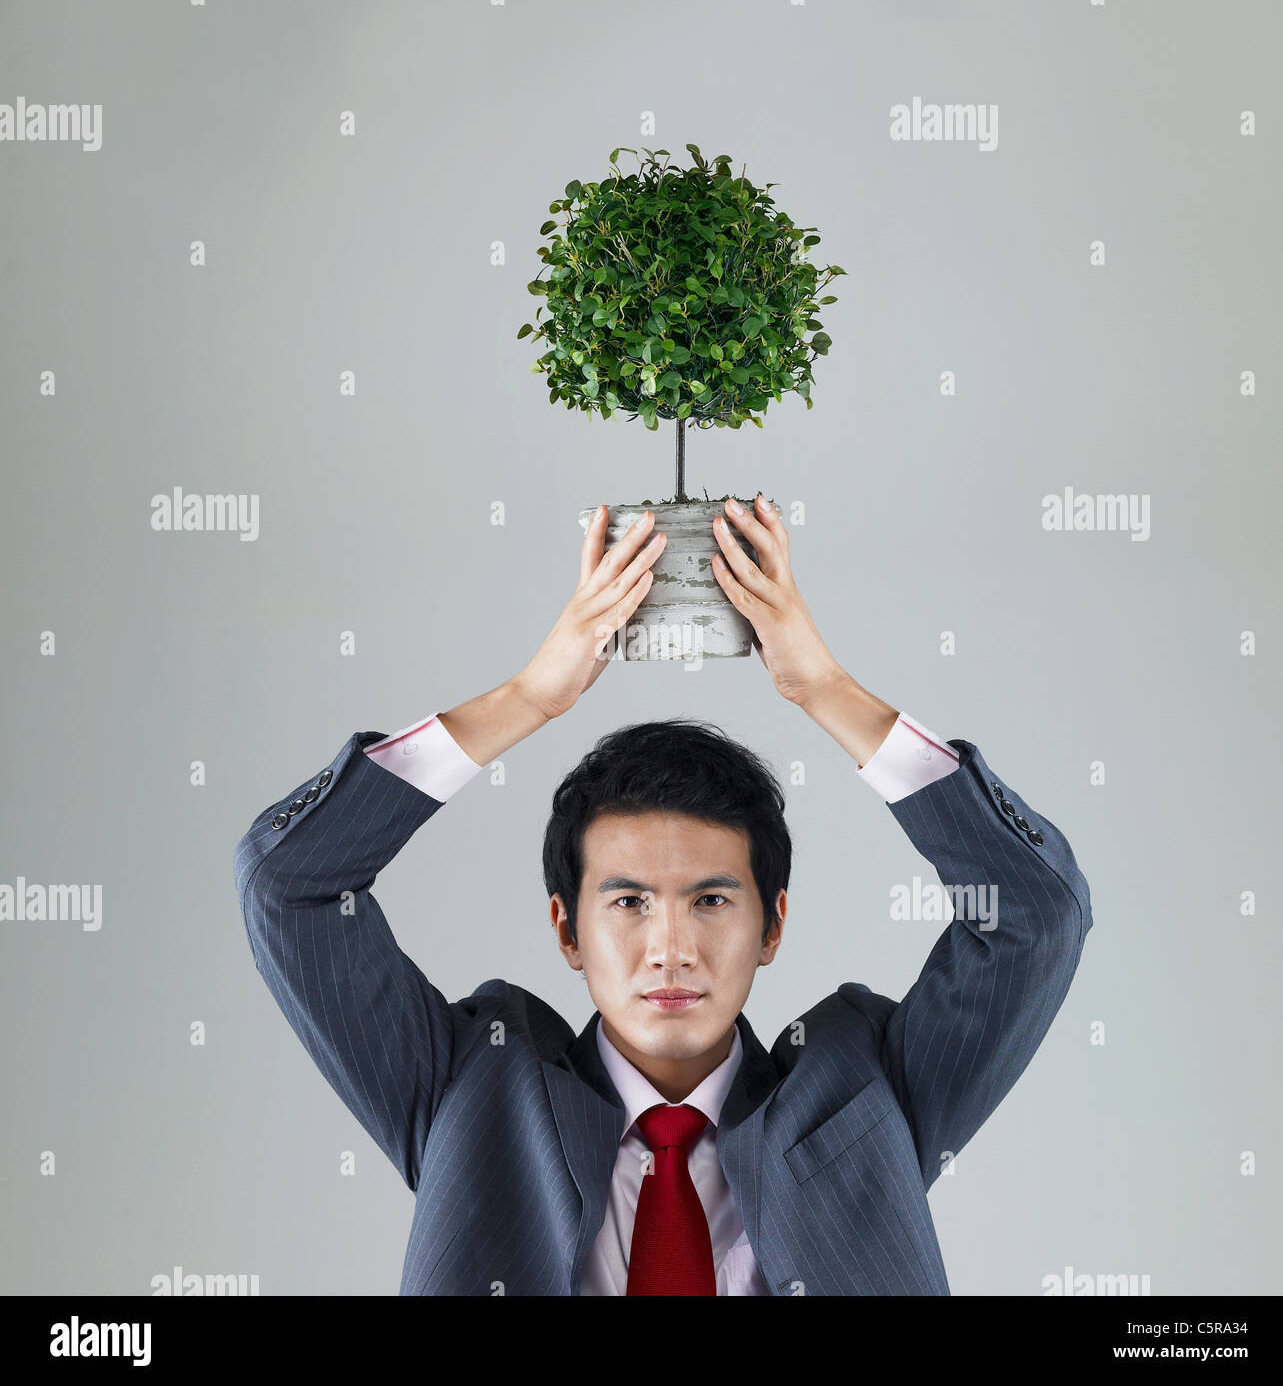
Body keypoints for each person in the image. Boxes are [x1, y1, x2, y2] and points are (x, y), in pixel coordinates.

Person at [234, 496, 1093, 1295]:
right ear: (566, 931)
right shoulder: (476, 1087)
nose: (671, 947)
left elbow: (1033, 913)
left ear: (774, 924)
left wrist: (823, 689)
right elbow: (292, 884)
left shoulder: (863, 1089)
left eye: (712, 901)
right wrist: (529, 698)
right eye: (629, 902)